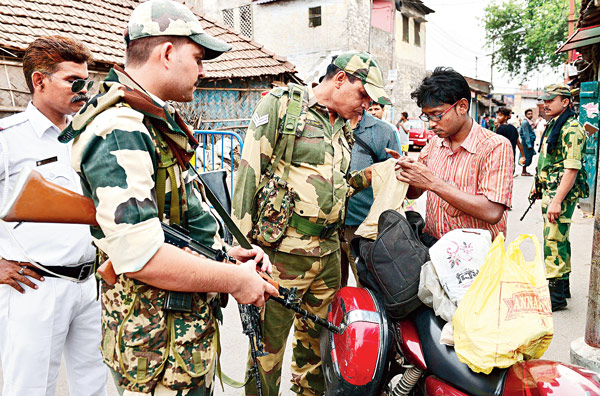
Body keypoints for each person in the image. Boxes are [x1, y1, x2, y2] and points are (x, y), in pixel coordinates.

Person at [58, 1, 278, 394]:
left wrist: (225, 252)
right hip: (158, 352)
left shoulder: (147, 120)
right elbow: (142, 254)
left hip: (178, 340)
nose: (204, 70)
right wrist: (235, 281)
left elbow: (170, 219)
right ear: (168, 53)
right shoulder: (120, 129)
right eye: (198, 58)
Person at [233, 51, 390, 396]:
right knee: (267, 352)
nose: (365, 105)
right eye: (363, 95)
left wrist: (382, 173)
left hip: (329, 255)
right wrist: (243, 252)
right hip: (282, 257)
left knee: (318, 349)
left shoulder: (342, 126)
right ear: (339, 79)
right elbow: (248, 175)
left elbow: (338, 185)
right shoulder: (283, 107)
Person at [0, 36, 107, 396]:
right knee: (30, 389)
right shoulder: (9, 140)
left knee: (93, 385)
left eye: (86, 81)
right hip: (36, 286)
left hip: (89, 285)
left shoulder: (87, 136)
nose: (83, 90)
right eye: (73, 81)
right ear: (39, 81)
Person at [391, 67, 514, 244]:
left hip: (477, 260)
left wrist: (433, 182)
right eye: (427, 117)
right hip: (435, 250)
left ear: (462, 106)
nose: (431, 124)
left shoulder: (495, 146)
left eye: (437, 115)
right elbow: (415, 193)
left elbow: (492, 212)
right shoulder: (434, 144)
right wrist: (406, 172)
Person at [530, 84, 588, 311]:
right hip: (551, 190)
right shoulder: (555, 124)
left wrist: (556, 201)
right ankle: (562, 287)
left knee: (553, 239)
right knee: (560, 237)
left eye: (550, 100)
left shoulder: (571, 128)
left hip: (560, 194)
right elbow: (548, 161)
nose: (545, 104)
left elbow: (571, 169)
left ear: (565, 102)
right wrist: (537, 187)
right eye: (544, 100)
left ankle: (556, 298)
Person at [342, 106, 400, 285]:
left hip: (363, 231)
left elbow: (395, 179)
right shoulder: (326, 127)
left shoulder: (384, 132)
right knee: (327, 296)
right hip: (325, 231)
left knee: (367, 290)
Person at [495, 107, 525, 173]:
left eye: (500, 115)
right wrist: (523, 156)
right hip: (511, 156)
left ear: (506, 117)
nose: (497, 117)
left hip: (502, 157)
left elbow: (496, 144)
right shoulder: (513, 128)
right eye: (497, 115)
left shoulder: (500, 128)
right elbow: (518, 143)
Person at [519, 108, 537, 176]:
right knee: (525, 156)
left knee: (528, 156)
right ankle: (523, 171)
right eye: (529, 114)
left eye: (531, 114)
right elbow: (526, 134)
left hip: (529, 142)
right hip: (527, 143)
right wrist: (528, 144)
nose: (530, 115)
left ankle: (525, 170)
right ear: (526, 115)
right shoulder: (525, 122)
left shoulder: (529, 122)